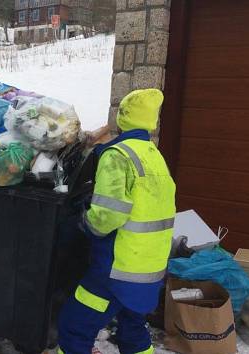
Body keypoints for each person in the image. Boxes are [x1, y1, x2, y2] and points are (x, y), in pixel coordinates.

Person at [57, 89, 176, 354]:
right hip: (149, 270)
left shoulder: (118, 155)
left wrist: (83, 222)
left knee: (74, 327)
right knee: (132, 330)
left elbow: (107, 217)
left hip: (116, 270)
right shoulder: (154, 156)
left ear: (122, 117)